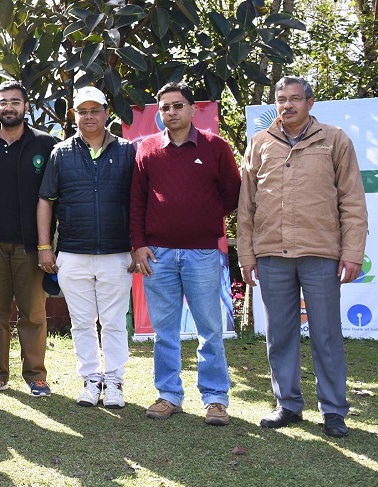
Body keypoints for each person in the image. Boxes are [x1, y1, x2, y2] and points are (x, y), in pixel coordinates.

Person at [238, 76, 368, 437]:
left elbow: (353, 201)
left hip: (320, 252)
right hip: (271, 254)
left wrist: (352, 252)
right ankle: (288, 405)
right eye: (281, 99)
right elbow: (246, 206)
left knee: (326, 335)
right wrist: (246, 255)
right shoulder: (259, 143)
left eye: (295, 98)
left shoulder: (335, 139)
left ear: (310, 103)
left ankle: (334, 411)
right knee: (279, 335)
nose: (287, 105)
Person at [131, 81, 240, 425]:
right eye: (165, 107)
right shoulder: (147, 148)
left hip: (202, 253)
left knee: (210, 329)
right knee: (164, 331)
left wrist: (205, 217)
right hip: (157, 255)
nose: (171, 112)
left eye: (178, 105)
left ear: (192, 109)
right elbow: (137, 201)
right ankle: (169, 395)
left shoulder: (216, 147)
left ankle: (215, 399)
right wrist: (139, 245)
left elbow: (233, 193)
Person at [36, 86, 134, 409]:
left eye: (95, 110)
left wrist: (138, 244)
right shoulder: (61, 153)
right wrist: (45, 246)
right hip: (72, 253)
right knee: (81, 322)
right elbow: (45, 200)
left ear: (107, 113)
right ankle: (91, 379)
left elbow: (139, 201)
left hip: (116, 253)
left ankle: (115, 381)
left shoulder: (127, 151)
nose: (89, 116)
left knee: (114, 321)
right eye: (82, 111)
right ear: (74, 115)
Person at [0, 81, 59, 397]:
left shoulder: (45, 144)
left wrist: (48, 244)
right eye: (3, 102)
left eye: (15, 102)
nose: (9, 107)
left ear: (26, 107)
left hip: (31, 245)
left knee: (33, 314)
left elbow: (56, 194)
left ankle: (36, 376)